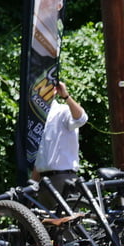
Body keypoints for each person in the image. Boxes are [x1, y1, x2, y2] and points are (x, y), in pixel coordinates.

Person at [32, 80, 88, 209]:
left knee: (67, 226)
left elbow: (82, 118)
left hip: (63, 178)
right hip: (43, 181)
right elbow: (42, 156)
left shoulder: (63, 111)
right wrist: (33, 183)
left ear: (55, 90)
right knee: (45, 226)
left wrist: (66, 96)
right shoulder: (39, 117)